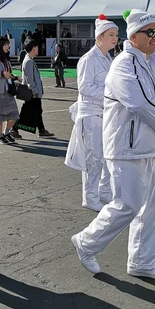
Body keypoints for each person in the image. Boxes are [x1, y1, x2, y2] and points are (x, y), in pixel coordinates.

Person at [71, 9, 155, 281]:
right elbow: (140, 103)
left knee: (153, 207)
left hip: (153, 145)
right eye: (151, 32)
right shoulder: (123, 64)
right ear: (135, 36)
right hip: (126, 146)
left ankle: (142, 262)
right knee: (127, 204)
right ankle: (86, 242)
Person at [65, 14, 118, 212]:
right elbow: (84, 88)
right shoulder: (88, 59)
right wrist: (111, 95)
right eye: (111, 35)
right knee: (93, 157)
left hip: (106, 114)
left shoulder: (108, 58)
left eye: (116, 35)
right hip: (92, 114)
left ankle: (103, 191)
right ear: (99, 37)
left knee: (106, 156)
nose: (115, 38)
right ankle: (90, 196)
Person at [13, 40, 55, 139]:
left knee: (37, 110)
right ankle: (14, 129)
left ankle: (41, 130)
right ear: (33, 49)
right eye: (37, 47)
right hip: (32, 93)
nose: (38, 49)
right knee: (27, 112)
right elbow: (29, 79)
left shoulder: (29, 60)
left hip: (33, 93)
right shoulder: (28, 61)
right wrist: (35, 90)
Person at [0, 36, 21, 145]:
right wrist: (1, 73)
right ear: (0, 46)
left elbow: (8, 73)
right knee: (0, 116)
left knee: (14, 114)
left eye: (8, 44)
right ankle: (0, 136)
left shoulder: (6, 58)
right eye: (5, 45)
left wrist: (15, 77)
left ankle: (6, 133)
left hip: (8, 90)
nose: (8, 47)